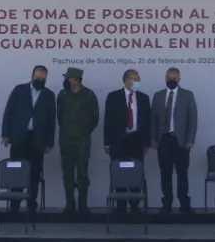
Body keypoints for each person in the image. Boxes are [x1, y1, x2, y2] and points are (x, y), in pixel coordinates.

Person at [1, 65, 57, 214]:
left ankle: (32, 204)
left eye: (43, 78)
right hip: (19, 138)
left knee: (35, 172)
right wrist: (6, 134)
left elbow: (52, 120)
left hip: (38, 139)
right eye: (37, 78)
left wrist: (49, 142)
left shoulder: (49, 95)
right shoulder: (19, 90)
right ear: (32, 76)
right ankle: (14, 205)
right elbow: (8, 112)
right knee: (16, 171)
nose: (40, 80)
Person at [103, 69, 153, 213]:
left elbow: (147, 121)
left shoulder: (143, 98)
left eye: (139, 79)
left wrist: (147, 142)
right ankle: (120, 206)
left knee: (136, 172)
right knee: (120, 172)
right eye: (135, 79)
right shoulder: (113, 97)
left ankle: (135, 205)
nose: (138, 82)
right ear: (127, 80)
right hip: (118, 140)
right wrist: (107, 142)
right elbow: (108, 120)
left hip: (136, 140)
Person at [150, 67, 198, 214]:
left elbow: (193, 119)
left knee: (182, 174)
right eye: (169, 78)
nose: (171, 80)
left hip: (181, 141)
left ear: (179, 79)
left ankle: (184, 204)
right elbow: (153, 119)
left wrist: (190, 140)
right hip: (163, 140)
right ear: (165, 78)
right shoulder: (158, 96)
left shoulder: (187, 95)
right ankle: (167, 204)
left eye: (174, 78)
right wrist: (153, 138)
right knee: (165, 174)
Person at [56, 67, 99, 215]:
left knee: (82, 174)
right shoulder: (62, 95)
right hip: (66, 141)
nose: (67, 81)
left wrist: (84, 131)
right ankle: (69, 203)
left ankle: (83, 204)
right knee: (67, 173)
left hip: (82, 142)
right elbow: (60, 117)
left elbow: (95, 117)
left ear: (76, 80)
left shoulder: (89, 95)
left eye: (69, 78)